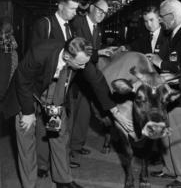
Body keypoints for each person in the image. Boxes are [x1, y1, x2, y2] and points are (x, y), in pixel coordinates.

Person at [13, 37, 127, 188]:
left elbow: (97, 80)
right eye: (80, 64)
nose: (83, 68)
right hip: (27, 92)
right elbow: (22, 79)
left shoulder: (81, 58)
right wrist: (28, 113)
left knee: (59, 133)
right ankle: (29, 184)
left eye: (85, 63)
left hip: (55, 88)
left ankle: (63, 180)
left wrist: (114, 110)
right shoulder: (40, 52)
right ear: (67, 56)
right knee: (26, 137)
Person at [147, 0, 181, 188]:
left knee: (179, 136)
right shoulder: (172, 34)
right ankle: (170, 169)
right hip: (169, 94)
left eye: (162, 17)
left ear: (171, 15)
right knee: (167, 135)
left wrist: (161, 63)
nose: (160, 21)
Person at [31, 0, 80, 176]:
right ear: (60, 5)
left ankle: (56, 164)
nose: (75, 13)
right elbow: (35, 55)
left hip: (65, 84)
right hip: (49, 85)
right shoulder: (45, 25)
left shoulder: (71, 28)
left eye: (77, 9)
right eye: (72, 8)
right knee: (51, 126)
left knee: (54, 125)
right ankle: (46, 165)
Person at [69, 0, 114, 162]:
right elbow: (77, 48)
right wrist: (99, 52)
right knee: (70, 114)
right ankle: (66, 151)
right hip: (74, 75)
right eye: (100, 11)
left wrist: (101, 53)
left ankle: (76, 145)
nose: (102, 15)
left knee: (84, 111)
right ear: (92, 8)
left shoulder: (98, 29)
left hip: (88, 76)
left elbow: (93, 55)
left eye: (105, 13)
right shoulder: (77, 22)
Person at [0, 19, 18, 120]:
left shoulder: (9, 38)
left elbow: (14, 46)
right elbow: (10, 48)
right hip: (7, 64)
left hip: (10, 63)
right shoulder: (6, 40)